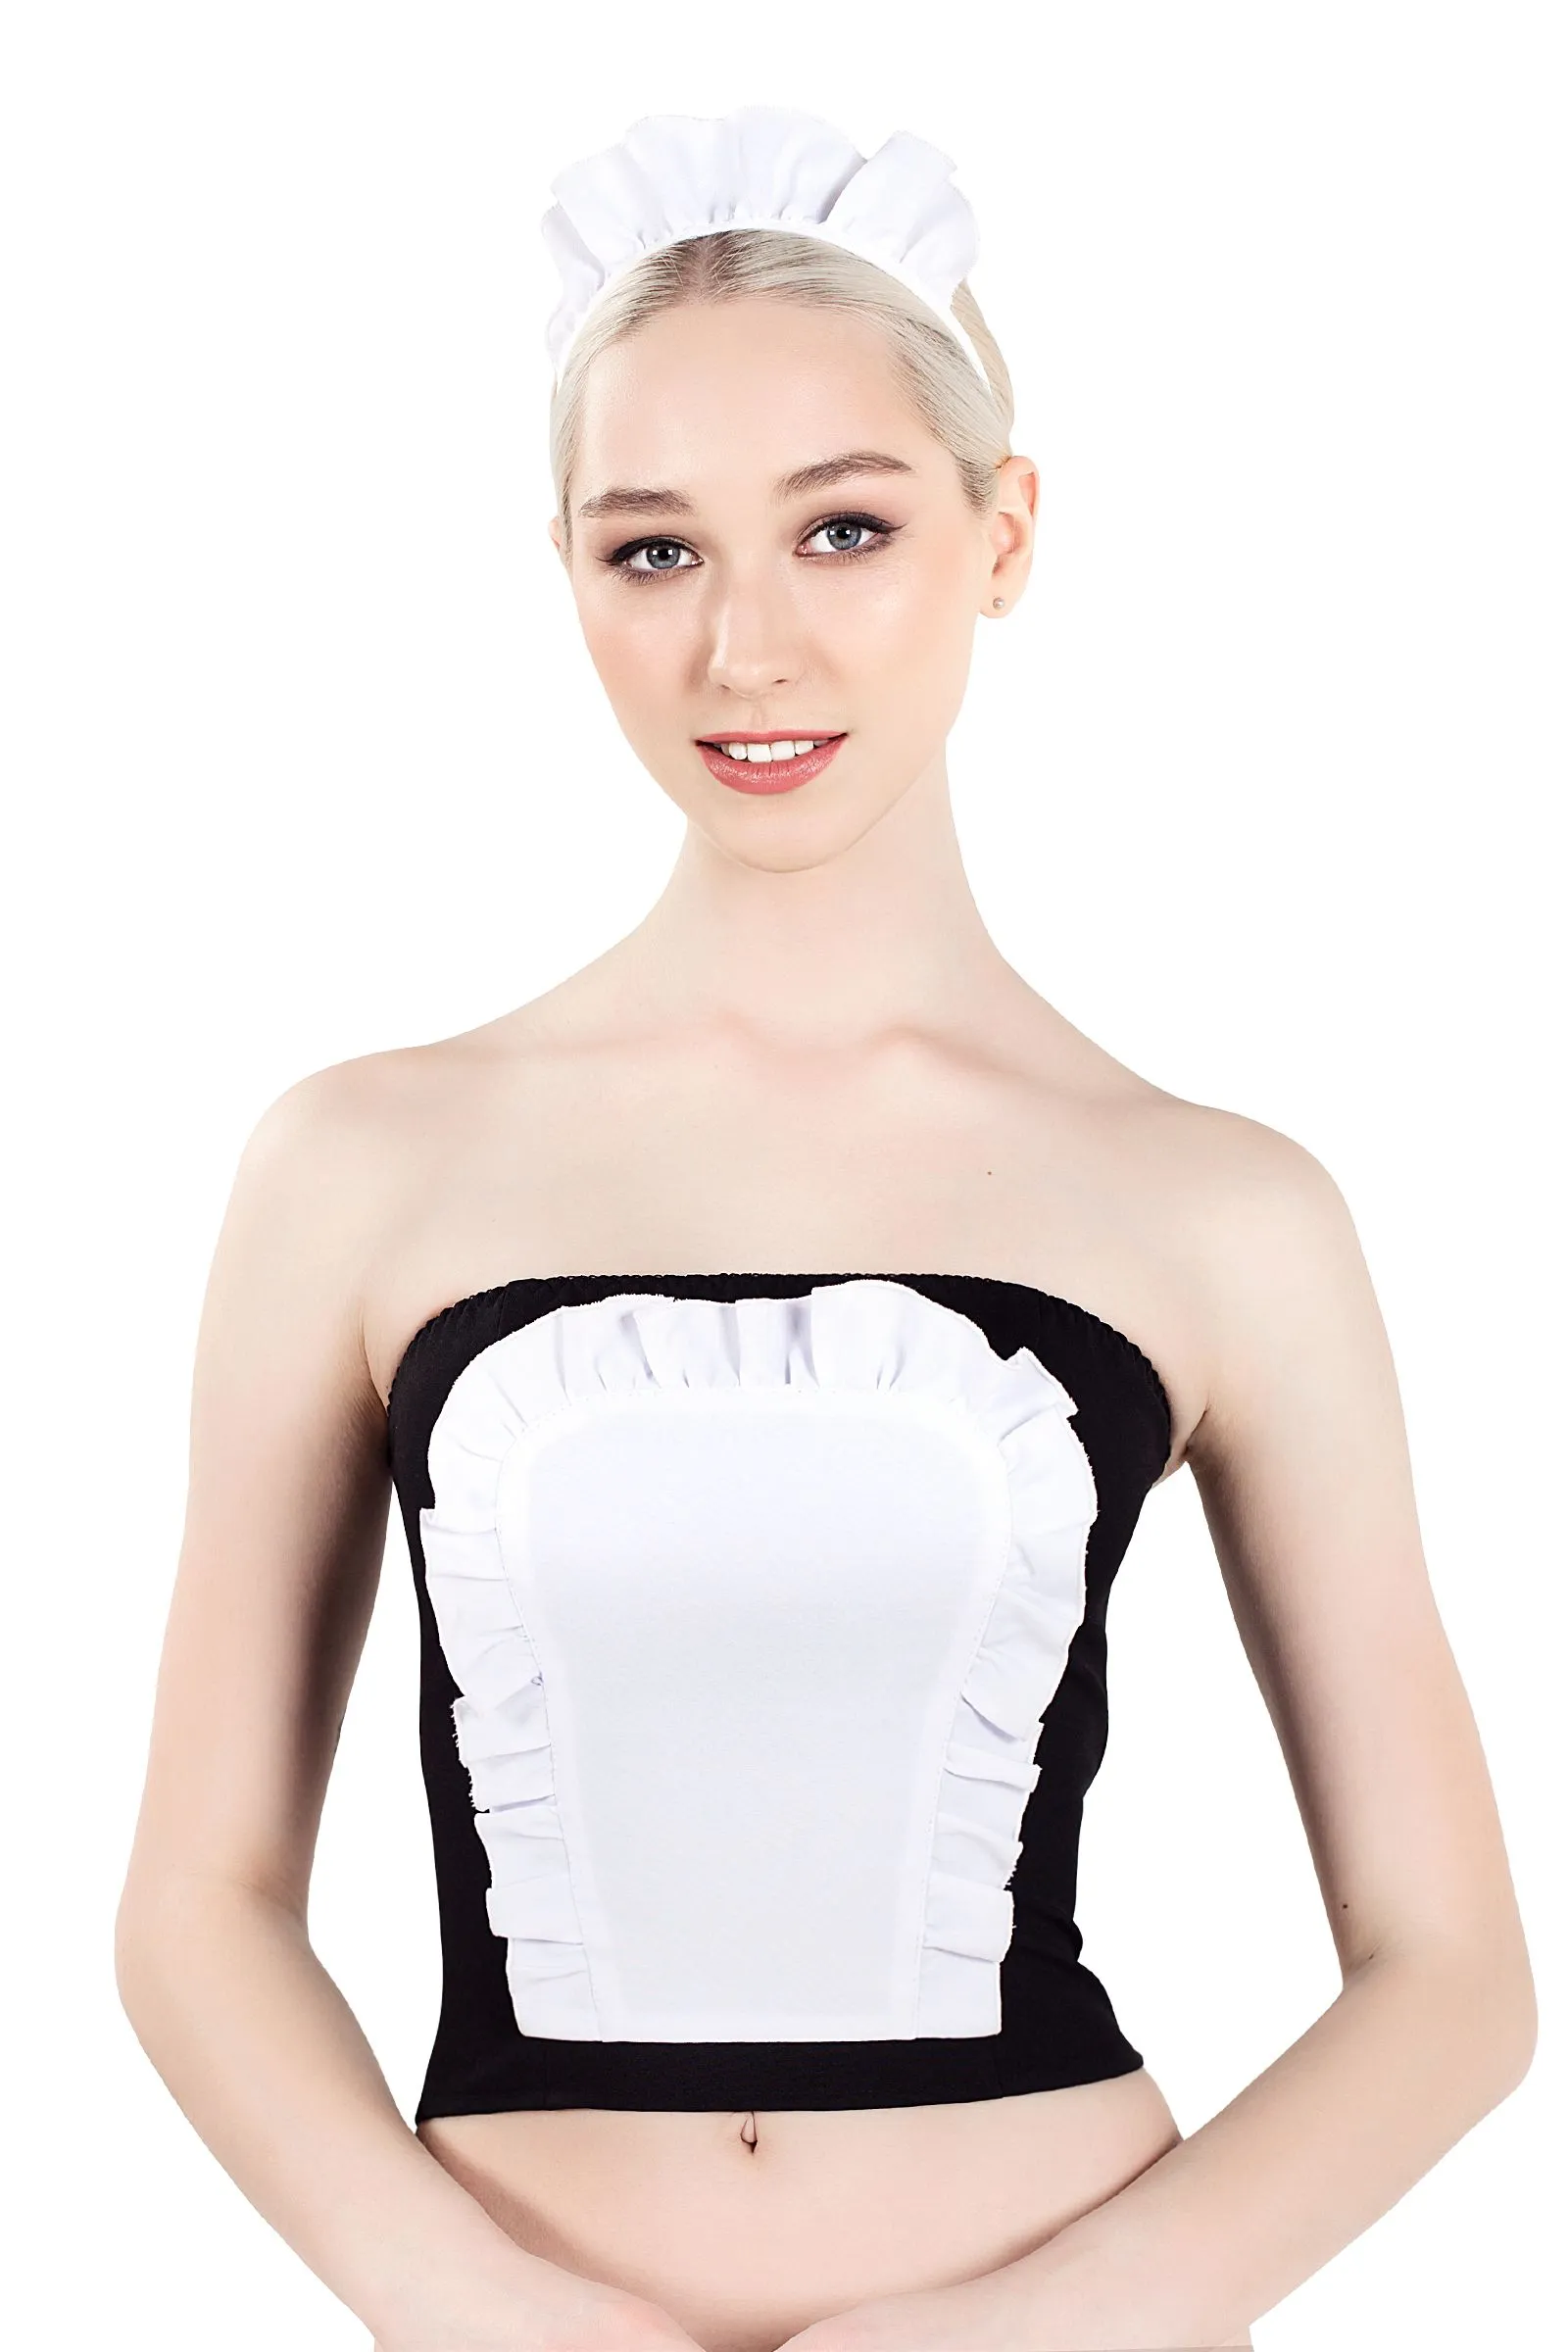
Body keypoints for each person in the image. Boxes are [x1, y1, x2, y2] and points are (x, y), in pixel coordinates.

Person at [114, 106, 1535, 2352]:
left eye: (843, 528)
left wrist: (1053, 2327)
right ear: (564, 570)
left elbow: (1450, 1976)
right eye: (651, 552)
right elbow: (194, 1907)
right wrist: (465, 2308)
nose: (743, 648)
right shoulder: (358, 1166)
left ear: (1003, 532)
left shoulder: (1219, 1208)